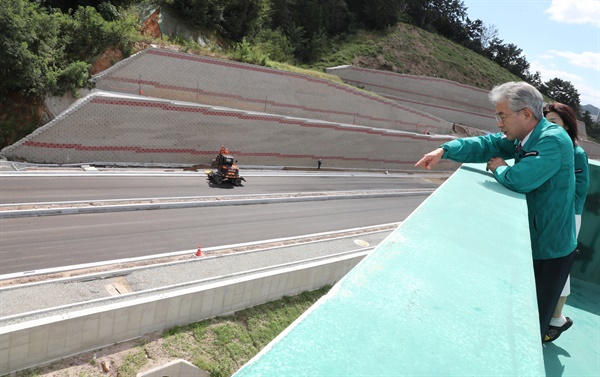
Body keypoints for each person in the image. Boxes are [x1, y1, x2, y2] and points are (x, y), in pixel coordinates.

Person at [415, 82, 577, 342]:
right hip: (534, 239)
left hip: (550, 248)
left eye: (502, 116)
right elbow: (487, 144)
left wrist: (499, 167)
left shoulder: (552, 141)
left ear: (526, 114)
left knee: (532, 321)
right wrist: (445, 150)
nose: (499, 123)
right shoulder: (525, 136)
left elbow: (520, 179)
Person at [543, 102, 590, 342]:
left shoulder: (576, 153)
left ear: (567, 125)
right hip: (552, 214)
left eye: (554, 122)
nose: (549, 127)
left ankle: (557, 318)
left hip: (569, 217)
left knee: (560, 268)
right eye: (546, 121)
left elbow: (579, 190)